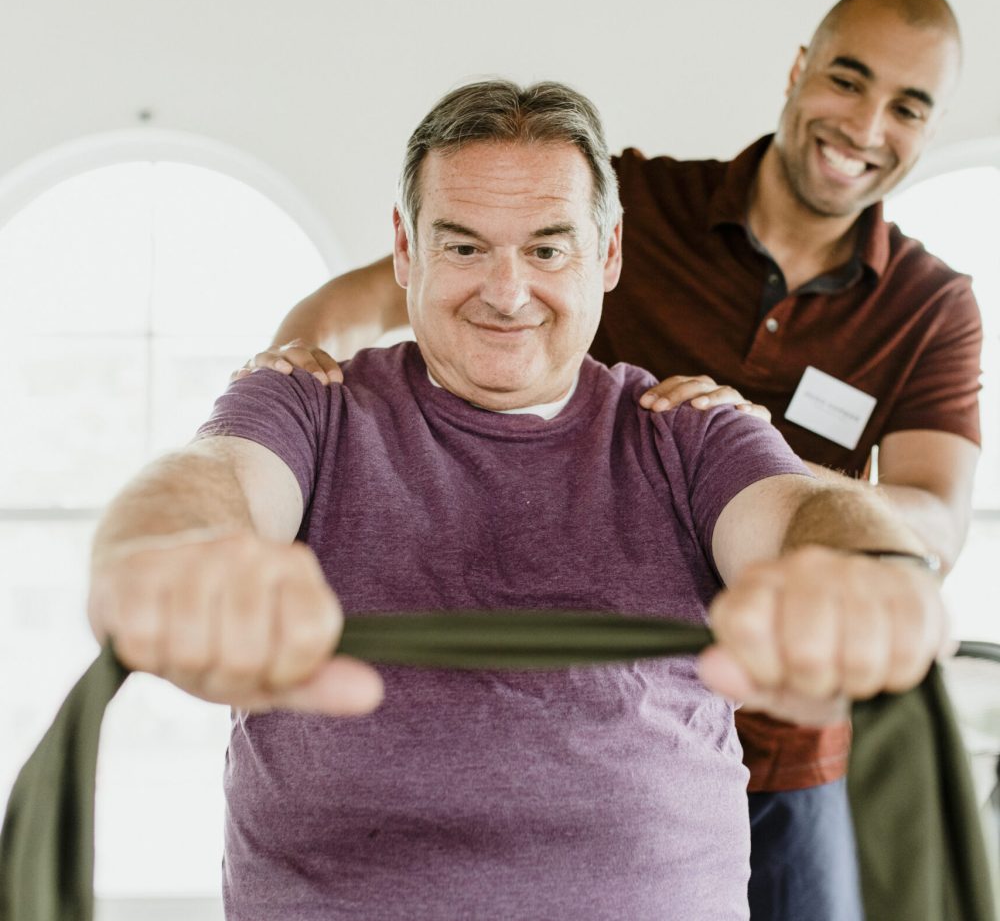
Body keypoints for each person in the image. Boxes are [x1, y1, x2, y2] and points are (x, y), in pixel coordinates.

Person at [88, 80, 947, 921]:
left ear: (606, 254)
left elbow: (798, 514)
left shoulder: (686, 430)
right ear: (405, 249)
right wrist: (168, 540)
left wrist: (866, 563)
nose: (506, 292)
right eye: (463, 247)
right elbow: (219, 479)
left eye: (546, 249)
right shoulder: (306, 406)